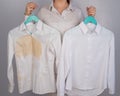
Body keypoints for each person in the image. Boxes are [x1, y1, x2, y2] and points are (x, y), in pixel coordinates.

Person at [24, 0, 96, 37]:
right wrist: (27, 14)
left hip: (70, 61)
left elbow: (85, 36)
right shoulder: (43, 11)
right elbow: (32, 35)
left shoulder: (78, 13)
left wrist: (91, 18)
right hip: (49, 62)